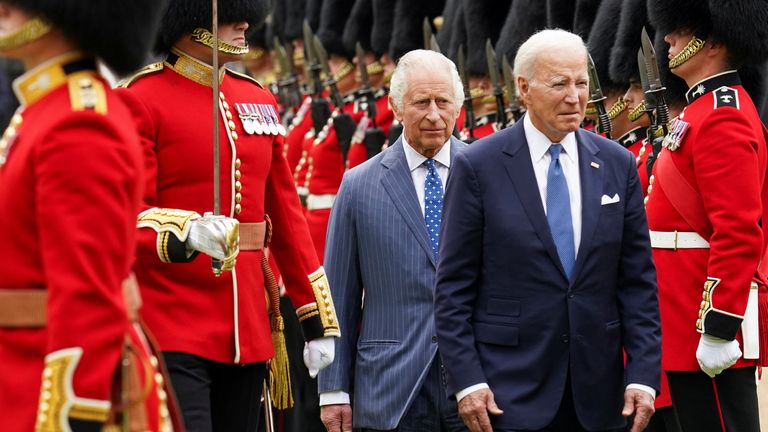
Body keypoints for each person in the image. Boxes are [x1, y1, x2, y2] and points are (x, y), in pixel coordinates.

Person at [116, 0, 340, 430]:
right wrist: (185, 231)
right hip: (172, 325)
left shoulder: (256, 98)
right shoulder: (140, 100)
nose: (244, 24)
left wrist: (316, 317)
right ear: (188, 21)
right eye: (230, 15)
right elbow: (127, 216)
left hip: (249, 328)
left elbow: (287, 217)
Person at [434, 29, 661, 432]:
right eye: (559, 84)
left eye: (580, 83)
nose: (575, 97)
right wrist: (467, 382)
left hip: (600, 394)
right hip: (508, 394)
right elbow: (453, 289)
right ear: (524, 88)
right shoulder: (479, 165)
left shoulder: (617, 164)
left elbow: (637, 282)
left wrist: (643, 373)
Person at [0, 0, 177, 431]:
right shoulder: (44, 111)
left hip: (47, 389)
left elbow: (88, 298)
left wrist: (71, 416)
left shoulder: (78, 124)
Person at [318, 49, 468, 432]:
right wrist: (333, 388)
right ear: (396, 108)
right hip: (391, 390)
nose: (434, 114)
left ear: (458, 108)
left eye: (443, 102)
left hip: (475, 385)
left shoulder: (490, 175)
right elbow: (339, 296)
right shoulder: (359, 185)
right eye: (421, 103)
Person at [645, 1, 768, 430]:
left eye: (680, 30)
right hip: (678, 309)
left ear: (712, 40)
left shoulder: (722, 117)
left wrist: (718, 325)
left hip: (702, 315)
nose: (668, 39)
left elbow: (737, 231)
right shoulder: (701, 111)